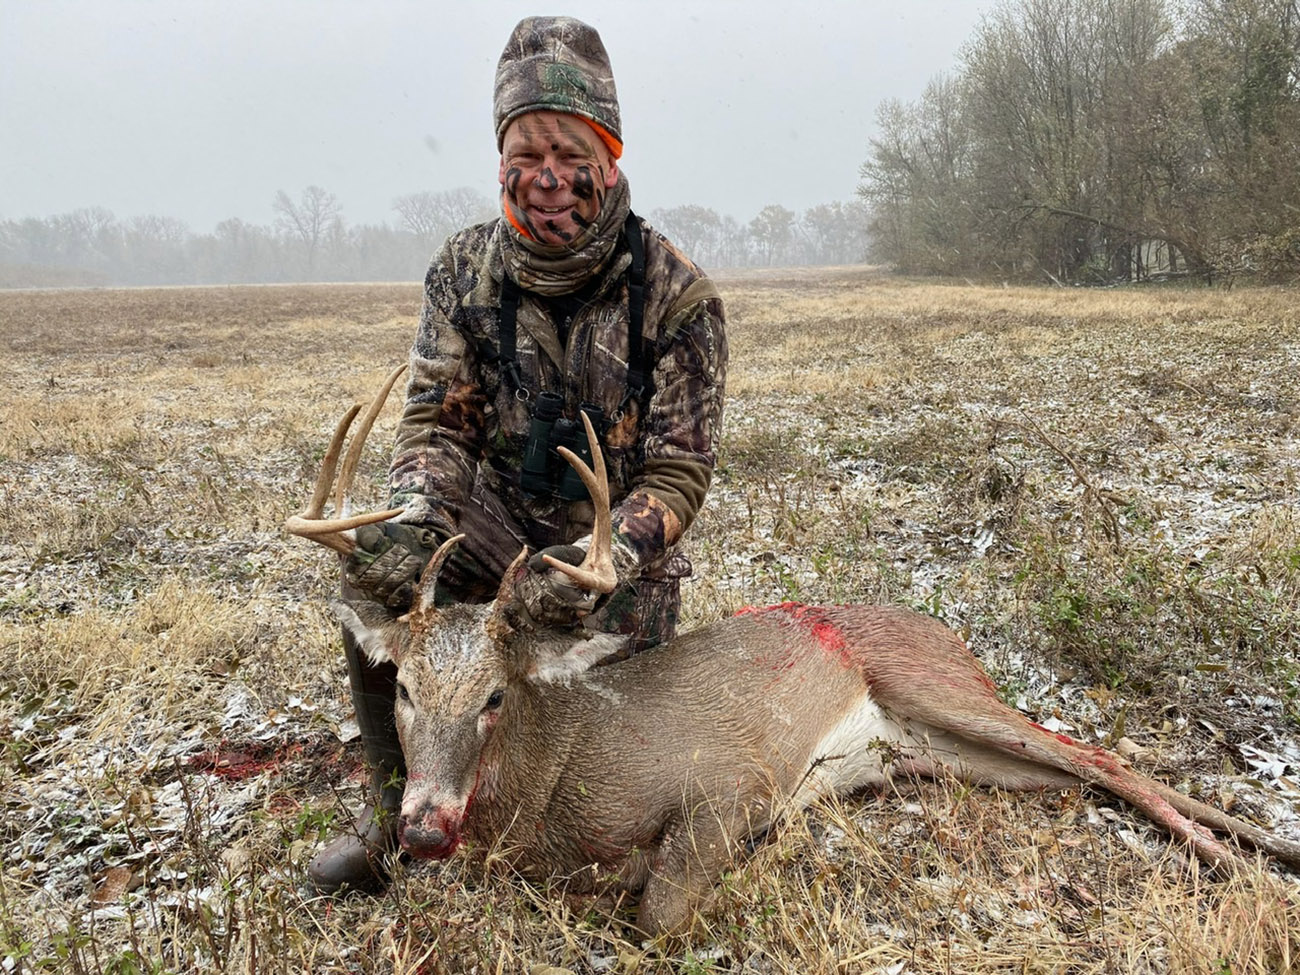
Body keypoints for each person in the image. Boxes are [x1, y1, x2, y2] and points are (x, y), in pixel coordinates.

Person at [307, 15, 728, 894]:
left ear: (609, 155)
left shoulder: (677, 295)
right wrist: (417, 527)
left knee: (603, 756)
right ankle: (395, 814)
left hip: (605, 566)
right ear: (500, 157)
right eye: (526, 150)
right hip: (489, 537)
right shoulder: (462, 272)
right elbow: (438, 423)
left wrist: (602, 560)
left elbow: (680, 469)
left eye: (572, 152)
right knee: (374, 594)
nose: (548, 178)